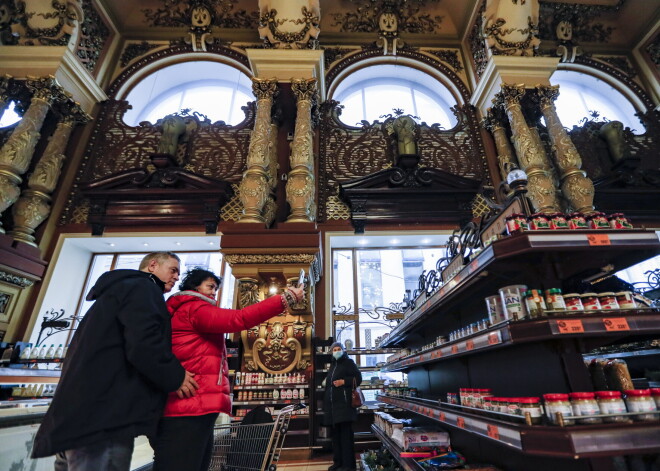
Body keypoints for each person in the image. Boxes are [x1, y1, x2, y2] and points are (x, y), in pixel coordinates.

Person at [32, 252, 199, 471]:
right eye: (173, 270)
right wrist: (175, 376)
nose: (176, 277)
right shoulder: (143, 288)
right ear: (153, 265)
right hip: (104, 420)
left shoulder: (117, 292)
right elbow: (144, 342)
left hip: (78, 418)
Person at [150, 267, 305, 471]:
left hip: (193, 403)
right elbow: (238, 319)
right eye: (210, 286)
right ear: (195, 286)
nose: (214, 292)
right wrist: (285, 299)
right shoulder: (194, 308)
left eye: (216, 288)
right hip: (190, 404)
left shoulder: (188, 309)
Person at [323, 342, 362, 471]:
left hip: (345, 407)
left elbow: (358, 378)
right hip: (334, 409)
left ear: (343, 350)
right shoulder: (333, 365)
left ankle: (348, 465)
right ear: (331, 352)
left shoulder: (348, 363)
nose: (337, 351)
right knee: (336, 438)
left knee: (346, 438)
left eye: (339, 349)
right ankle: (338, 463)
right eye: (334, 349)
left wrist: (343, 382)